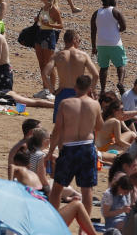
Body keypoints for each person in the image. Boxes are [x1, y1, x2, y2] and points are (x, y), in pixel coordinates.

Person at [46, 73, 100, 212]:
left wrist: (51, 151)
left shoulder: (66, 103)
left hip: (69, 148)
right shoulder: (95, 104)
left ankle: (54, 218)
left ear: (75, 87)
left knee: (58, 187)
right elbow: (100, 127)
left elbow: (57, 129)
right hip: (87, 147)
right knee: (87, 189)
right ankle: (84, 227)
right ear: (89, 89)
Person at [44, 30, 97, 123]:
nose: (79, 43)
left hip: (62, 92)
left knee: (61, 126)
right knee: (78, 125)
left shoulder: (57, 56)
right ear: (74, 39)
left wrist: (52, 90)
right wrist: (90, 90)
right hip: (79, 92)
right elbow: (96, 75)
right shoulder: (83, 55)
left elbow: (44, 74)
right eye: (79, 41)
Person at [89, 0, 127, 96]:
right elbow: (124, 26)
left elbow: (93, 31)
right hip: (115, 43)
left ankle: (102, 90)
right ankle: (120, 82)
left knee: (104, 67)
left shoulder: (96, 13)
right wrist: (116, 30)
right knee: (120, 65)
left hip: (101, 44)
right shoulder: (115, 11)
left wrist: (93, 46)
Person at [31, 0, 64, 98]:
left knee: (49, 64)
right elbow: (41, 22)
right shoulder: (44, 7)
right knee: (42, 64)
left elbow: (61, 25)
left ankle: (52, 90)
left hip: (49, 36)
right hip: (40, 35)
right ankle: (45, 89)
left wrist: (50, 25)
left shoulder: (53, 9)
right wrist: (37, 20)